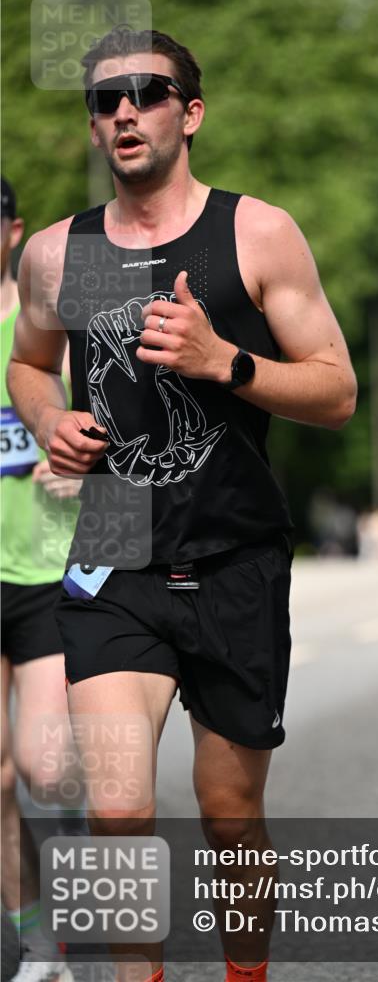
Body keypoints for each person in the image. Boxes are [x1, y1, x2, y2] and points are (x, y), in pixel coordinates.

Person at [7, 27, 357, 982]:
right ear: (94, 126)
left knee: (229, 816)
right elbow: (30, 362)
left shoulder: (254, 234)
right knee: (118, 809)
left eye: (147, 92)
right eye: (105, 99)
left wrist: (224, 361)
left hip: (234, 546)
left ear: (189, 113)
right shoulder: (63, 252)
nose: (125, 111)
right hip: (115, 542)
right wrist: (49, 420)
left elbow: (336, 391)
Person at [1, 176, 80, 982]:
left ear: (14, 230)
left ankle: (89, 833)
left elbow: (118, 428)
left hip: (43, 572)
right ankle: (40, 949)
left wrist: (81, 466)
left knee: (48, 767)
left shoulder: (43, 323)